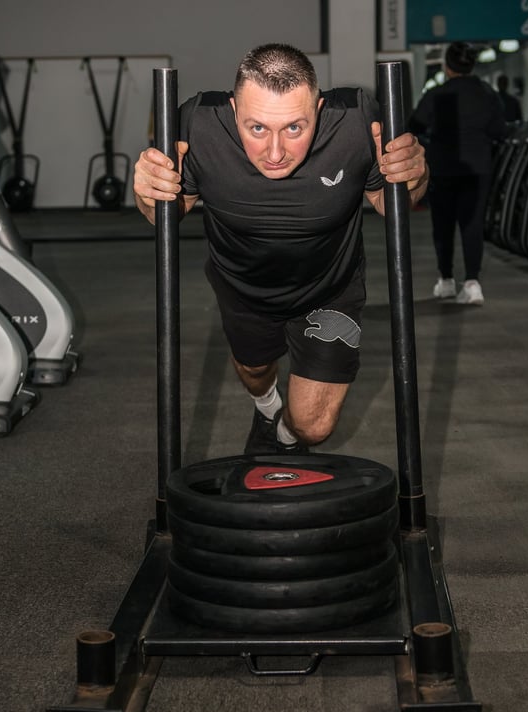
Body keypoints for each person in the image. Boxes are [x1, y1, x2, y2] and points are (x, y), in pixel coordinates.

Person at [134, 43, 428, 455]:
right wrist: (149, 192)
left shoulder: (358, 122)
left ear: (319, 109)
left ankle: (285, 437)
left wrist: (414, 174)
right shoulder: (198, 125)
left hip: (330, 288)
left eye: (295, 128)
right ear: (234, 110)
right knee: (255, 369)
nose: (275, 153)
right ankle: (267, 408)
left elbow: (390, 200)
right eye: (257, 129)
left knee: (313, 428)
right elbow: (165, 212)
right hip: (242, 287)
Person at [408, 41, 507, 306]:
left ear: (447, 66)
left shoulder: (437, 94)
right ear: (472, 65)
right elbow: (500, 130)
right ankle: (473, 283)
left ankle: (446, 281)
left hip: (444, 167)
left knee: (443, 225)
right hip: (477, 167)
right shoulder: (487, 93)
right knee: (473, 224)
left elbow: (414, 125)